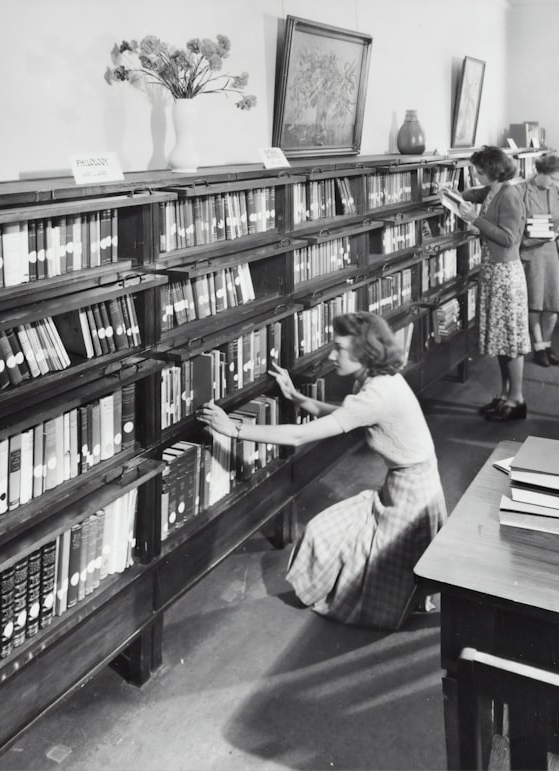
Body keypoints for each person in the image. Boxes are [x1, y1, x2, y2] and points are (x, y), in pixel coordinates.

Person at [197, 311, 447, 631]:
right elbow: (347, 414)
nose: (332, 355)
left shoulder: (376, 393)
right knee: (337, 539)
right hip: (408, 484)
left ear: (365, 351)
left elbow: (302, 435)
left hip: (412, 495)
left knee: (378, 572)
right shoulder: (377, 379)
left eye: (339, 348)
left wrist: (234, 431)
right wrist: (299, 398)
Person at [455, 145, 530, 421]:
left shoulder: (509, 195)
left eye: (480, 170)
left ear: (495, 170)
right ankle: (505, 394)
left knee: (509, 341)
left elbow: (509, 238)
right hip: (493, 271)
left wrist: (475, 220)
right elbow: (473, 194)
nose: (476, 173)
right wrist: (451, 192)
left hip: (505, 275)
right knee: (500, 339)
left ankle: (517, 399)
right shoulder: (494, 190)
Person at [520, 154, 559, 367]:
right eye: (552, 178)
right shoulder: (522, 191)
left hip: (554, 251)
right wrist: (534, 233)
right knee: (535, 302)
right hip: (533, 252)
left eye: (558, 180)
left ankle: (548, 343)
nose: (555, 184)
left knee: (553, 302)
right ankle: (538, 346)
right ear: (540, 172)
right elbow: (518, 223)